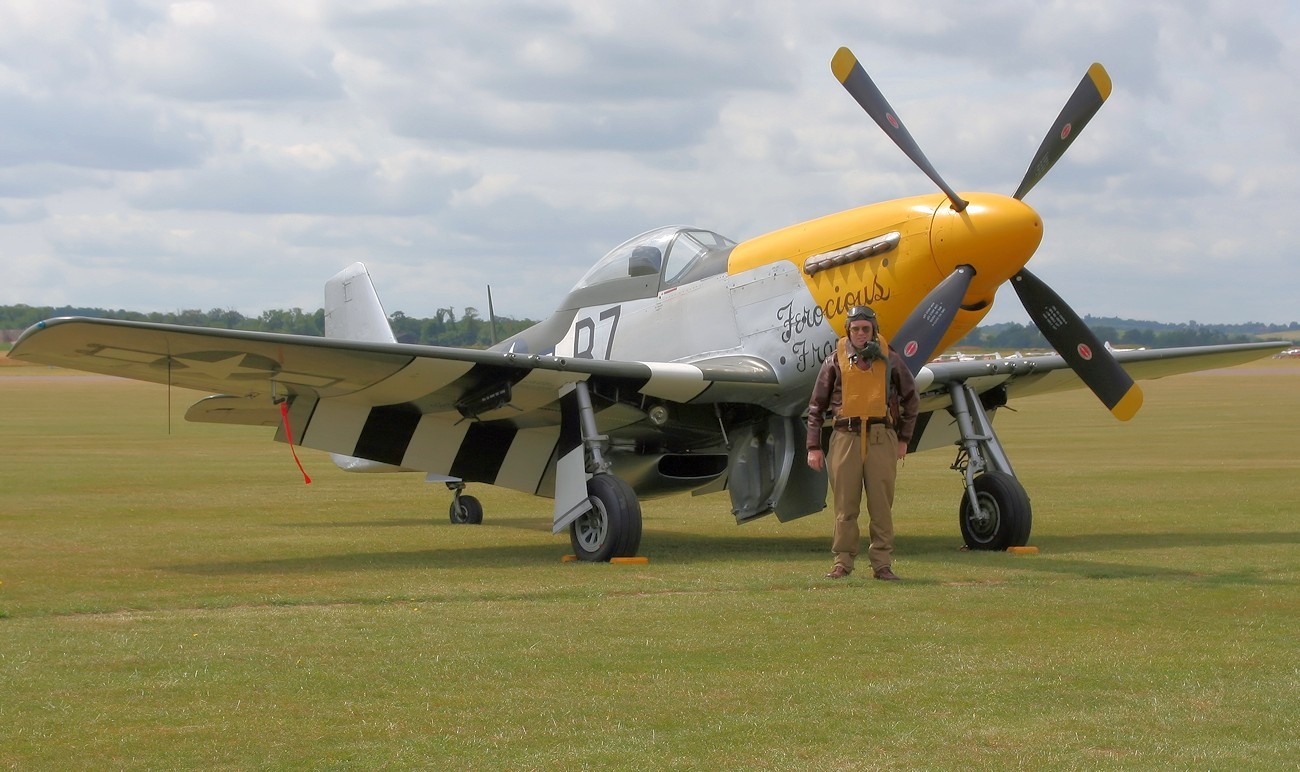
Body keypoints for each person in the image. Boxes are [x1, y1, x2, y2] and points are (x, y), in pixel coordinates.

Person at [806, 305, 920, 580]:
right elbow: (816, 407)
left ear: (874, 330)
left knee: (881, 506)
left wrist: (904, 439)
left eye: (865, 329)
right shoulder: (834, 361)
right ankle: (842, 561)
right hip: (845, 437)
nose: (859, 334)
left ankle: (882, 563)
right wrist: (813, 446)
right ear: (848, 331)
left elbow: (911, 399)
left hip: (882, 437)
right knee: (845, 505)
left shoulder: (890, 359)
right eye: (855, 329)